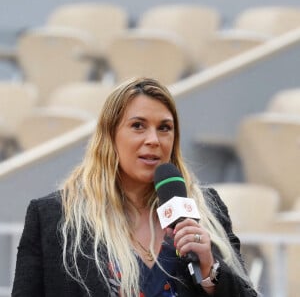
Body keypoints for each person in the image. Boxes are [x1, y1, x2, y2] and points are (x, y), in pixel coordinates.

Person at [12, 77, 258, 297]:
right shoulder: (53, 217)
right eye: (138, 126)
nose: (153, 140)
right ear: (110, 136)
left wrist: (210, 270)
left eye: (164, 128)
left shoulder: (206, 209)